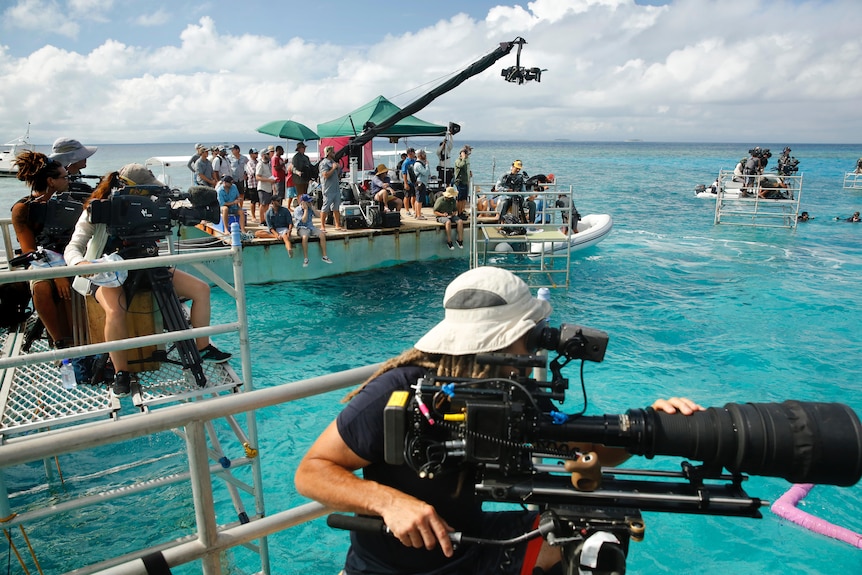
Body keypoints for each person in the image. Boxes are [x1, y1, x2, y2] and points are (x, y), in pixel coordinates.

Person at [294, 267, 704, 575]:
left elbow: (590, 451)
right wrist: (389, 502)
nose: (538, 344)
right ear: (503, 340)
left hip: (471, 548)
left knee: (595, 531)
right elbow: (311, 472)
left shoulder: (513, 392)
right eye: (532, 331)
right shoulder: (401, 390)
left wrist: (653, 425)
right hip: (391, 567)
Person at [64, 164, 232, 396]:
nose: (151, 196)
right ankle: (121, 373)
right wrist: (78, 264)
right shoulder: (101, 209)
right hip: (108, 272)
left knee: (201, 290)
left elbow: (178, 213)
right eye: (147, 191)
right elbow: (74, 245)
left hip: (147, 264)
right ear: (131, 189)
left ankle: (202, 346)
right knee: (115, 310)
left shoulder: (153, 207)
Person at [11, 151, 74, 347]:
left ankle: (80, 340)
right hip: (40, 261)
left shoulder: (72, 204)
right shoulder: (23, 209)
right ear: (51, 181)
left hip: (71, 257)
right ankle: (59, 341)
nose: (68, 180)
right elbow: (29, 251)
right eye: (65, 177)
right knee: (41, 287)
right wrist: (56, 274)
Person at [293, 193, 332, 267]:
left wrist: (313, 208)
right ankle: (306, 258)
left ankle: (324, 256)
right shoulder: (297, 210)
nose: (310, 203)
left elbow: (318, 216)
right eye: (308, 202)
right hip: (302, 227)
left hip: (311, 227)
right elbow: (304, 221)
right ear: (303, 202)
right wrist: (305, 210)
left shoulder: (311, 207)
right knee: (305, 237)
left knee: (322, 235)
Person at [496, 160, 532, 224]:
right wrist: (506, 190)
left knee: (531, 204)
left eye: (519, 169)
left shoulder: (520, 177)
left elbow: (523, 190)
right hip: (507, 197)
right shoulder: (504, 176)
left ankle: (530, 224)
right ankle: (501, 223)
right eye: (516, 168)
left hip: (518, 198)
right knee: (504, 204)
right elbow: (497, 187)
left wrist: (527, 197)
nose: (518, 170)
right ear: (512, 166)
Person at [319, 145, 344, 232]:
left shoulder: (333, 161)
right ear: (329, 153)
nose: (334, 153)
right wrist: (333, 168)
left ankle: (337, 225)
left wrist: (338, 169)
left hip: (336, 188)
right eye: (333, 152)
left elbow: (336, 175)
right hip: (328, 189)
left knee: (336, 207)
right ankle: (322, 226)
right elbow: (325, 175)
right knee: (325, 207)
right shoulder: (323, 163)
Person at [255, 147, 276, 224]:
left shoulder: (268, 164)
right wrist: (268, 180)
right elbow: (257, 177)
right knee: (263, 204)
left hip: (268, 187)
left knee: (267, 204)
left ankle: (265, 219)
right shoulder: (260, 164)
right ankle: (261, 220)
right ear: (263, 155)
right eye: (267, 154)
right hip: (262, 187)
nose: (269, 155)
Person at [453, 145, 472, 216]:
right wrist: (463, 158)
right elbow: (461, 165)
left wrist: (469, 172)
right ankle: (459, 212)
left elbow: (465, 167)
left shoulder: (466, 160)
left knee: (464, 197)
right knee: (460, 198)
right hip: (460, 182)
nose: (467, 156)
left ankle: (462, 211)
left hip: (465, 181)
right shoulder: (458, 161)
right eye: (466, 154)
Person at [412, 150, 430, 220]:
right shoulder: (418, 164)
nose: (425, 156)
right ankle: (419, 215)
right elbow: (426, 172)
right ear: (420, 155)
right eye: (423, 154)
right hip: (421, 183)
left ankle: (417, 214)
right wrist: (427, 165)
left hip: (420, 183)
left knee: (417, 199)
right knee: (419, 200)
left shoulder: (418, 163)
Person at [401, 148, 417, 217]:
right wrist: (405, 183)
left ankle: (414, 209)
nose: (413, 154)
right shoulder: (406, 162)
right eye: (412, 153)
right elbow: (404, 173)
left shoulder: (414, 161)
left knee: (414, 196)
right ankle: (407, 210)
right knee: (407, 196)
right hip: (408, 181)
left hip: (414, 181)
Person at [245, 148, 260, 221]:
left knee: (260, 201)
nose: (256, 154)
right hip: (252, 184)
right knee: (253, 201)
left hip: (259, 184)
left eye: (257, 153)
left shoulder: (258, 162)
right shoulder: (249, 163)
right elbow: (252, 172)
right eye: (255, 153)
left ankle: (261, 215)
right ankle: (253, 216)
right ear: (251, 154)